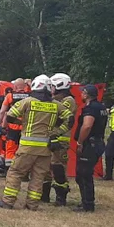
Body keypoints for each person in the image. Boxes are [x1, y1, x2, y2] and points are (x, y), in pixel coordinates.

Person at [0, 74, 72, 211]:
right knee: (38, 176)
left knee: (15, 172)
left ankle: (8, 202)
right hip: (45, 149)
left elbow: (9, 116)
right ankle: (32, 204)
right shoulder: (56, 105)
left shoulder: (27, 102)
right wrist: (57, 132)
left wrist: (22, 123)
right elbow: (70, 119)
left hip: (27, 147)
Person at [41, 73, 77, 206]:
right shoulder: (53, 99)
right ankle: (44, 195)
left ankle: (61, 197)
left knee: (58, 168)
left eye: (52, 86)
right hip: (49, 138)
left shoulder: (68, 100)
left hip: (60, 140)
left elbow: (59, 118)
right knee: (45, 166)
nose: (51, 89)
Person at [75, 85, 108, 212]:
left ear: (86, 94)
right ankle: (85, 201)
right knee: (82, 174)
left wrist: (80, 142)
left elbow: (87, 126)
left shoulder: (91, 108)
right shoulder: (101, 107)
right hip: (97, 142)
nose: (81, 95)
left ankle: (88, 204)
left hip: (90, 144)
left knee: (84, 174)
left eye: (82, 92)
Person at [0, 78, 30, 165]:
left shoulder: (10, 96)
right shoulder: (30, 97)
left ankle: (8, 170)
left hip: (13, 127)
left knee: (11, 149)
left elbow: (2, 112)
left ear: (14, 87)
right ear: (25, 87)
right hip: (26, 128)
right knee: (24, 150)